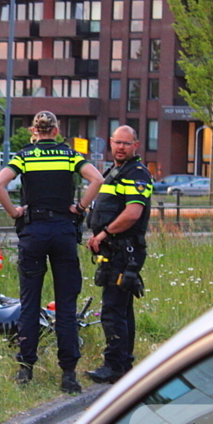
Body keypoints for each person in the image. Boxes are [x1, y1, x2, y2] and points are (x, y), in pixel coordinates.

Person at [0, 110, 103, 394]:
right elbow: (97, 180)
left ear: (34, 130)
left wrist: (14, 212)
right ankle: (68, 375)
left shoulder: (24, 156)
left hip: (33, 231)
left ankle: (25, 369)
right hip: (64, 231)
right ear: (56, 131)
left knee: (30, 301)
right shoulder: (69, 156)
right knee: (65, 304)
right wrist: (80, 208)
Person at [85, 126, 152, 385]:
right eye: (117, 143)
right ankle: (123, 362)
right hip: (114, 249)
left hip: (125, 249)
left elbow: (132, 213)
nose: (121, 147)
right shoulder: (114, 172)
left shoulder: (136, 173)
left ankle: (113, 366)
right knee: (122, 308)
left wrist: (102, 235)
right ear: (111, 144)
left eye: (126, 143)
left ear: (136, 145)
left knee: (113, 309)